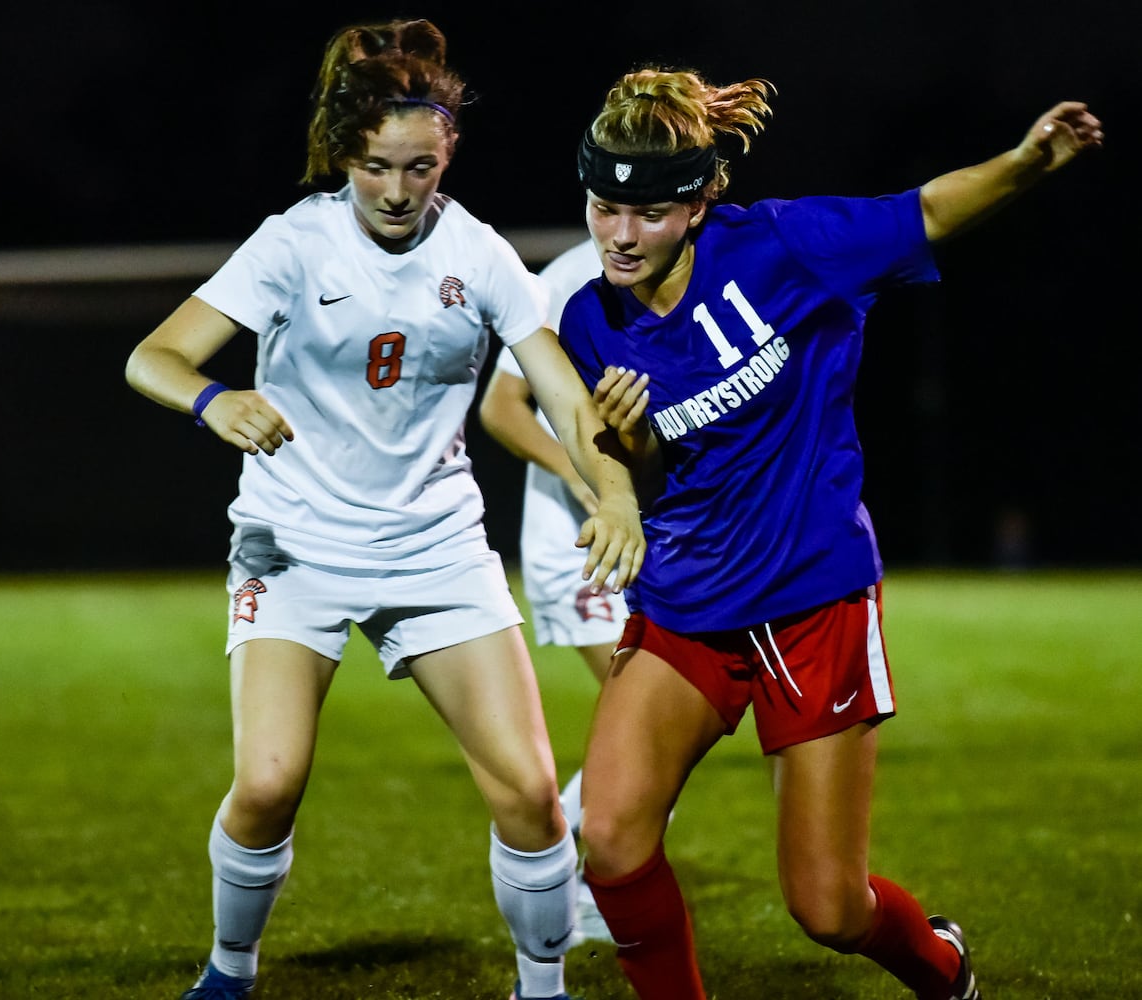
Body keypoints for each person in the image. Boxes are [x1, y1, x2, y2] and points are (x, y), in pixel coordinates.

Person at [124, 19, 645, 1000]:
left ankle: (542, 987)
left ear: (447, 153)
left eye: (419, 167)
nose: (399, 191)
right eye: (375, 167)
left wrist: (610, 484)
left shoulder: (481, 255)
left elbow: (565, 398)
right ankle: (229, 972)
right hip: (295, 545)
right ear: (343, 156)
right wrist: (213, 398)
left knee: (532, 794)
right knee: (269, 782)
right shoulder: (292, 245)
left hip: (434, 548)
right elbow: (151, 355)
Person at [555, 67, 1103, 1000]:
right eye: (606, 208)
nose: (620, 234)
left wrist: (1024, 164)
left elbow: (925, 211)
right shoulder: (588, 318)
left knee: (828, 909)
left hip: (814, 600)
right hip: (689, 603)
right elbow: (636, 470)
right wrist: (631, 448)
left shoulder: (788, 247)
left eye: (647, 213)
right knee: (609, 840)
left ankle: (943, 965)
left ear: (699, 202)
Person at [478, 239, 624, 947]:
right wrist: (573, 473)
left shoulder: (701, 266)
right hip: (578, 544)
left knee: (665, 721)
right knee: (640, 710)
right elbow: (502, 406)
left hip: (664, 535)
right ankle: (582, 875)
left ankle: (571, 857)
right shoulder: (563, 282)